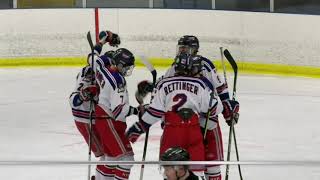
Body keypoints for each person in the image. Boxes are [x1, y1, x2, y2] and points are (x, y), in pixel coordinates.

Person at [136, 35, 239, 180]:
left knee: (212, 163)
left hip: (207, 119)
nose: (182, 51)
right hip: (184, 124)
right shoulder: (176, 65)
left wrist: (228, 109)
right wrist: (150, 87)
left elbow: (220, 89)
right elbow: (165, 84)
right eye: (181, 48)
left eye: (186, 48)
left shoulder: (206, 65)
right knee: (182, 162)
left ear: (195, 50)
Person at [126, 53, 223, 178]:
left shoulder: (163, 84)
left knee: (170, 172)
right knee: (194, 172)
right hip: (193, 131)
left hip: (171, 132)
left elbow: (154, 113)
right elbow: (216, 108)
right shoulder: (201, 84)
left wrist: (138, 128)